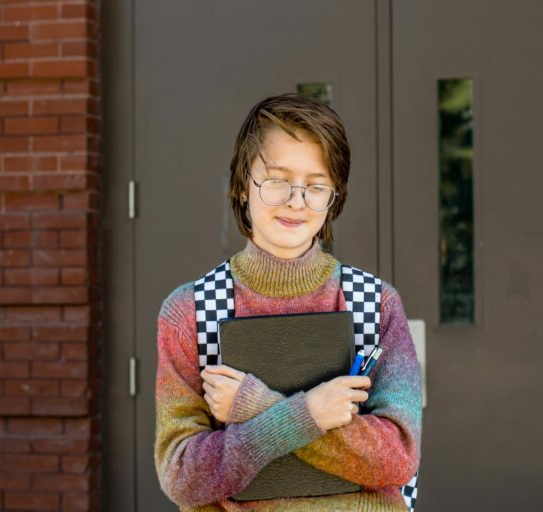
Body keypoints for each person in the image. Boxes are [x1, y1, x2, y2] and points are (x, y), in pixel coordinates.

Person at [154, 93, 422, 510]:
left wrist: (260, 407)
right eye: (277, 180)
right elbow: (182, 476)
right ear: (243, 184)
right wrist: (306, 414)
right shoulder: (190, 313)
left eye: (316, 186)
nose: (297, 201)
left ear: (334, 196)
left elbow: (399, 457)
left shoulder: (375, 304)